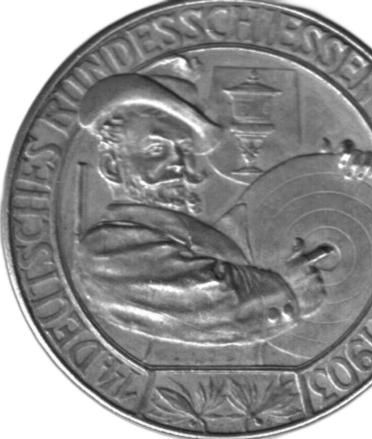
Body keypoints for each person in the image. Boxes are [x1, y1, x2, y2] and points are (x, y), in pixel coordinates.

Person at [73, 74, 328, 345]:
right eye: (157, 149)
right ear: (112, 166)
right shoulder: (106, 249)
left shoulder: (194, 230)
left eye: (184, 150)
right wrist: (287, 290)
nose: (178, 163)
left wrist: (340, 173)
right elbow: (213, 301)